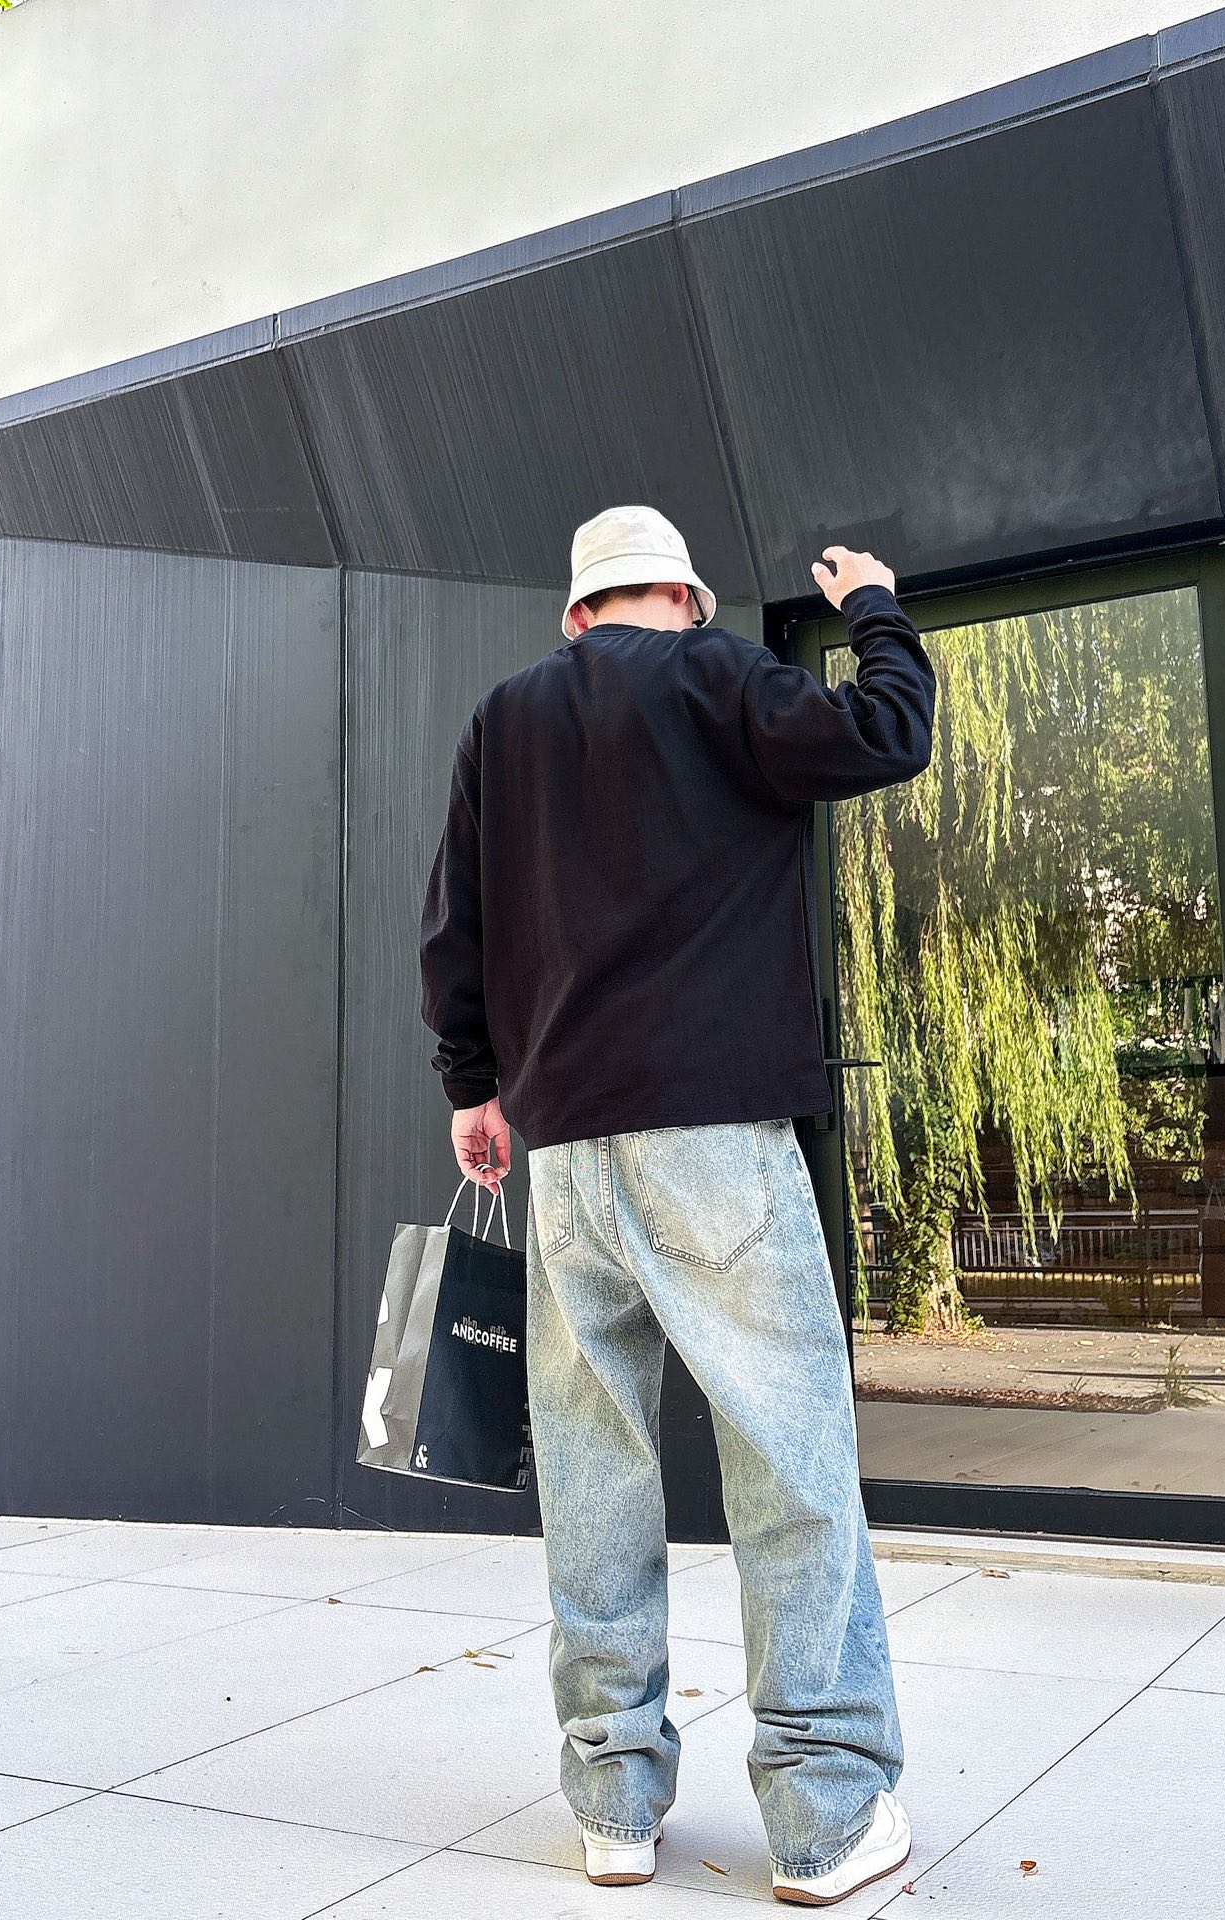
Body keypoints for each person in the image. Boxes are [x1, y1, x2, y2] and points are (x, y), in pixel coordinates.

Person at [419, 504, 937, 1906]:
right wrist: (873, 605)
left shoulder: (504, 720)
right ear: (687, 599)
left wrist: (474, 1089)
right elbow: (886, 733)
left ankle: (613, 1805)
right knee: (788, 1465)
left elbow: (456, 926)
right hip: (713, 1136)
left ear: (575, 613)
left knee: (594, 1478)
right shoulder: (721, 677)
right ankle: (826, 1817)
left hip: (566, 1149)